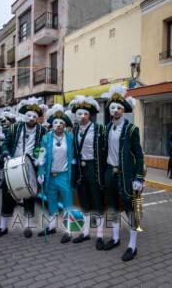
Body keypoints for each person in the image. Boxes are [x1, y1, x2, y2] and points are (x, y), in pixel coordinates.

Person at [0, 97, 46, 239]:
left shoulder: (42, 131)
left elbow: (43, 149)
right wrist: (6, 154)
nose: (32, 118)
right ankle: (2, 227)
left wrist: (40, 164)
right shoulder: (15, 127)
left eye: (35, 116)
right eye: (29, 116)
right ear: (24, 116)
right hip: (13, 165)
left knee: (29, 196)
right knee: (7, 195)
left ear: (37, 118)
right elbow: (5, 144)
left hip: (30, 166)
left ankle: (27, 226)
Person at [101, 84, 145, 261]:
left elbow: (139, 155)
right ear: (110, 110)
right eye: (113, 108)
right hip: (110, 173)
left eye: (120, 108)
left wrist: (138, 177)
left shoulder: (132, 129)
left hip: (126, 175)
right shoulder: (105, 129)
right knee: (112, 207)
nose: (116, 111)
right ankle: (116, 238)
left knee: (130, 208)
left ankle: (132, 246)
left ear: (124, 110)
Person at [68, 96, 106, 250]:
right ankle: (85, 232)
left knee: (97, 201)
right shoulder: (75, 129)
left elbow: (106, 149)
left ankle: (100, 235)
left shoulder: (99, 129)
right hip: (80, 169)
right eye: (79, 114)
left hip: (94, 168)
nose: (82, 117)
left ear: (89, 115)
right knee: (83, 200)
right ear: (75, 116)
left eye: (85, 114)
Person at [37, 104, 74, 243]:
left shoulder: (70, 138)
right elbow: (42, 156)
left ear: (65, 125)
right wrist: (40, 171)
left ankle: (68, 230)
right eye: (55, 123)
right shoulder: (46, 138)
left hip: (64, 175)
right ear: (52, 125)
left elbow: (74, 156)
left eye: (61, 123)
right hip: (50, 175)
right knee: (51, 201)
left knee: (67, 202)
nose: (58, 125)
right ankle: (52, 225)